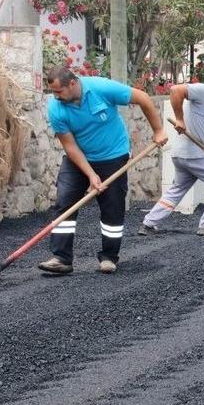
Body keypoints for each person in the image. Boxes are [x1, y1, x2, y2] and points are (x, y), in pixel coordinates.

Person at [39, 67, 168, 275]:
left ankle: (109, 257)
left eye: (59, 91)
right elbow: (70, 146)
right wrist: (91, 174)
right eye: (53, 92)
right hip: (79, 158)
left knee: (112, 207)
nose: (55, 96)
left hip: (113, 156)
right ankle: (61, 258)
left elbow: (143, 98)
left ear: (72, 83)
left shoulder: (101, 88)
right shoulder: (56, 108)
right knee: (65, 202)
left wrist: (159, 130)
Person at [138, 67, 204, 236]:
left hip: (183, 155)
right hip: (194, 155)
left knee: (177, 189)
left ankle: (149, 223)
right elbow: (175, 90)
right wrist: (179, 119)